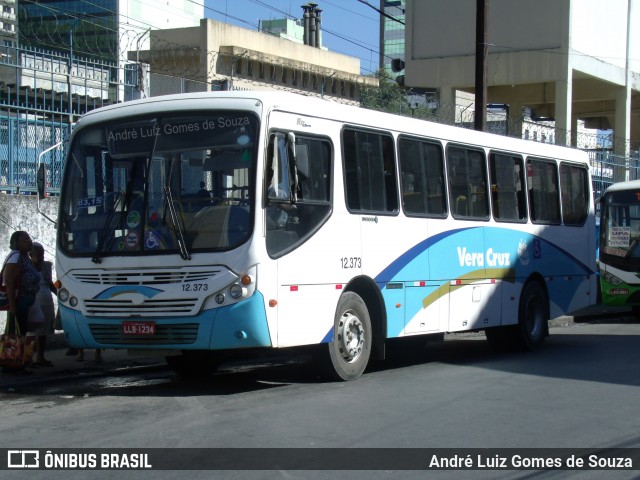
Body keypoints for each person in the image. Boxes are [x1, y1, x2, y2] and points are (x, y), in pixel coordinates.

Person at [1, 231, 40, 374]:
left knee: (20, 332)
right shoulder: (16, 256)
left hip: (26, 300)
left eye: (29, 239)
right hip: (19, 301)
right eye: (25, 240)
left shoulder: (25, 257)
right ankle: (12, 364)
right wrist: (12, 305)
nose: (29, 241)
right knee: (17, 333)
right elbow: (9, 281)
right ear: (16, 243)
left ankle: (17, 362)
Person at [28, 242, 56, 367]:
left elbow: (50, 283)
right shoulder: (26, 266)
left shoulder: (46, 265)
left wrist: (60, 295)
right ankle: (27, 358)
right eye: (38, 255)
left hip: (47, 301)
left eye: (42, 254)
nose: (41, 257)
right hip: (33, 301)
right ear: (31, 255)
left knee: (43, 331)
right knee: (31, 332)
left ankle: (40, 357)